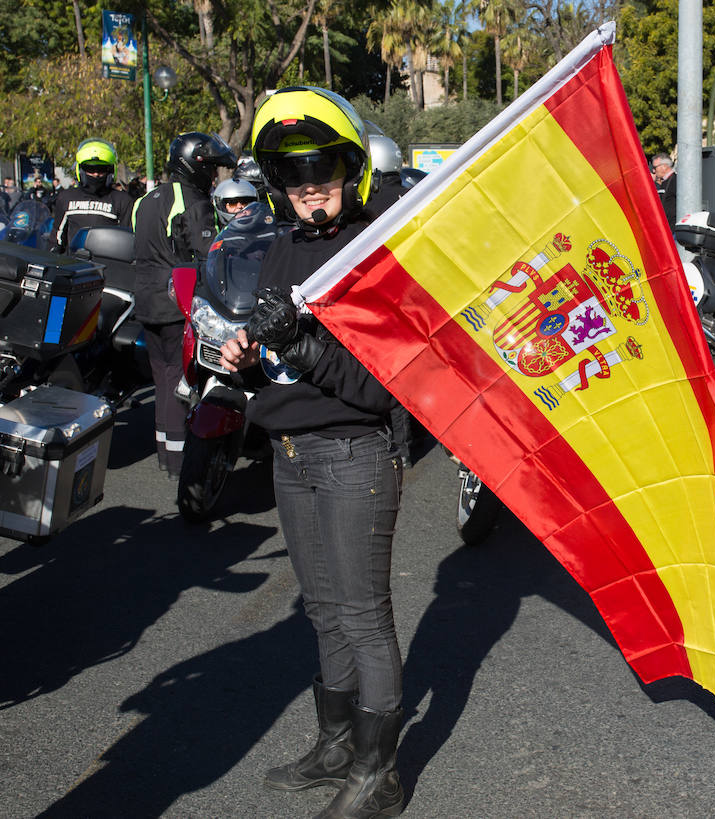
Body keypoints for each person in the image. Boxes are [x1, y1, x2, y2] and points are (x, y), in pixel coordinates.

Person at [219, 87, 406, 819]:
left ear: (350, 166)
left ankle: (379, 772)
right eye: (292, 173)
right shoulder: (281, 247)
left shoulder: (374, 253)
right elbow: (275, 356)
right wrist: (247, 352)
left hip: (355, 453)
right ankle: (336, 744)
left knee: (362, 614)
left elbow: (379, 384)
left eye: (323, 166)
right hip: (289, 452)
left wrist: (299, 342)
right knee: (323, 611)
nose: (309, 185)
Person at [132, 131, 236, 479]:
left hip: (144, 299)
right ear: (195, 167)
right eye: (210, 170)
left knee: (162, 378)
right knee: (180, 381)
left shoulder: (146, 199)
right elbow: (209, 255)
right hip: (176, 301)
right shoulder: (194, 201)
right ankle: (179, 462)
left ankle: (166, 455)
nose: (212, 178)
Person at [52, 138, 134, 252]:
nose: (96, 174)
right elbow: (57, 237)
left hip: (110, 265)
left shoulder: (122, 200)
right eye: (90, 169)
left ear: (111, 171)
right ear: (80, 170)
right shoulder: (66, 197)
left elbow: (128, 240)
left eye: (101, 169)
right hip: (74, 265)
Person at [652, 153, 677, 231]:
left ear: (664, 166)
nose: (653, 171)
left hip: (673, 228)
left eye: (655, 167)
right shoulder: (665, 182)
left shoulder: (675, 180)